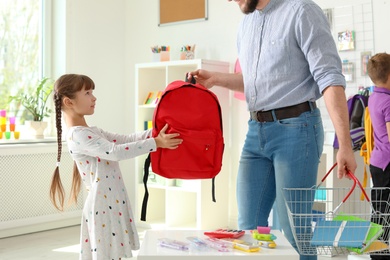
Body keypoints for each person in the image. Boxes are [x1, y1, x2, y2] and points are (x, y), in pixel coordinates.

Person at [188, 0, 357, 259]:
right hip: (256, 131)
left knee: (293, 229)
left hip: (297, 129)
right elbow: (257, 82)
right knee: (248, 227)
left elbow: (330, 78)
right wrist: (216, 79)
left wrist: (344, 144)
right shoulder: (246, 24)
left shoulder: (301, 11)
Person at [49, 74, 182, 260]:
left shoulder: (91, 131)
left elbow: (125, 140)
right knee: (107, 253)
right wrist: (156, 143)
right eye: (87, 93)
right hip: (102, 205)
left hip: (112, 199)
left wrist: (154, 133)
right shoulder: (78, 135)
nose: (94, 97)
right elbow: (115, 152)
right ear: (68, 102)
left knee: (114, 252)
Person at [367, 53, 390, 260]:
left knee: (380, 209)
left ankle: (377, 252)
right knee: (387, 212)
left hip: (377, 161)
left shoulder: (374, 97)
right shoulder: (389, 102)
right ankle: (383, 254)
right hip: (388, 163)